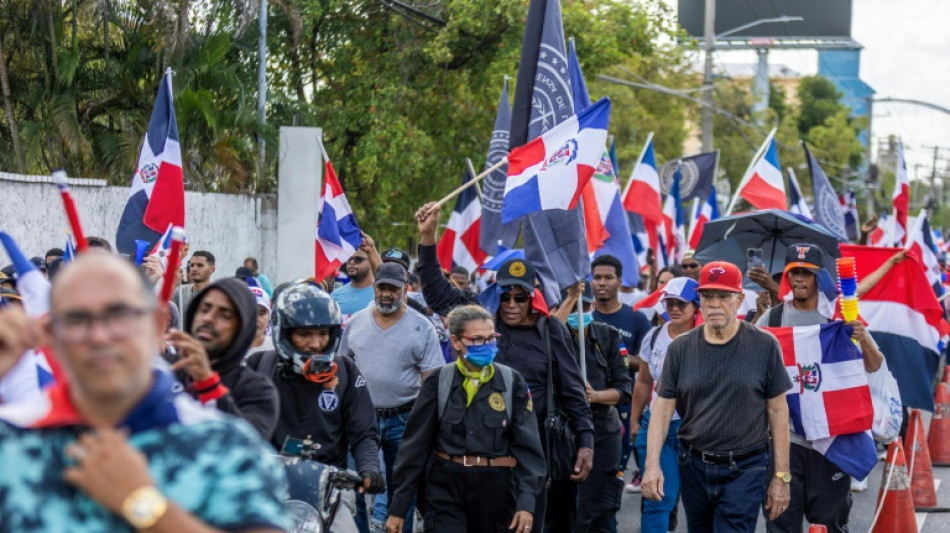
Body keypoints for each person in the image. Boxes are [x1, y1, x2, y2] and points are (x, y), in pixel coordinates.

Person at [0, 253, 287, 532]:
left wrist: (143, 504)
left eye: (119, 315)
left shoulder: (225, 445)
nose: (99, 336)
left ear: (155, 324)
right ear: (50, 333)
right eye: (77, 319)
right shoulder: (11, 435)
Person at [414, 201, 594, 533]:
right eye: (505, 295)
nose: (511, 304)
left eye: (520, 297)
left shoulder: (550, 329)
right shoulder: (479, 317)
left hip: (531, 452)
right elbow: (437, 294)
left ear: (533, 296)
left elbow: (571, 389)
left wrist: (586, 441)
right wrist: (428, 240)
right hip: (479, 452)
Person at [642, 261, 793, 533]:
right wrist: (651, 466)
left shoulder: (764, 345)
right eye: (708, 295)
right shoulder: (680, 348)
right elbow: (662, 409)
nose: (714, 303)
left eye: (723, 296)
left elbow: (778, 411)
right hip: (694, 465)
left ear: (739, 299)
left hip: (745, 467)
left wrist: (781, 476)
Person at [756, 244, 883, 533]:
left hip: (831, 443)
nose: (800, 279)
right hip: (785, 444)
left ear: (818, 277)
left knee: (830, 525)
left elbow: (874, 365)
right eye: (794, 272)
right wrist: (755, 320)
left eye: (807, 273)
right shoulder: (773, 318)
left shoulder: (838, 318)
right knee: (780, 523)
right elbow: (748, 359)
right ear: (787, 277)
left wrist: (861, 338)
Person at [385, 305, 545, 533]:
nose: (487, 346)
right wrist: (398, 508)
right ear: (456, 342)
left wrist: (526, 504)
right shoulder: (439, 383)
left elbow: (529, 450)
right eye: (477, 339)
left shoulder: (512, 383)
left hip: (497, 494)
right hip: (445, 490)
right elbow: (414, 448)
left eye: (491, 338)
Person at [246, 281, 385, 533]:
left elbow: (364, 431)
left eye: (323, 333)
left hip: (330, 486)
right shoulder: (257, 367)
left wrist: (369, 469)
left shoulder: (347, 370)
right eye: (304, 334)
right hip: (265, 483)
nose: (315, 343)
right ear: (283, 333)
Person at [339, 262, 445, 532]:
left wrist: (427, 425)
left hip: (404, 419)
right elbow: (343, 369)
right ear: (374, 288)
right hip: (362, 420)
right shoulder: (356, 323)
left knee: (402, 489)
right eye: (381, 287)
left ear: (405, 290)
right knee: (354, 485)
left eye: (393, 289)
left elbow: (433, 383)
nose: (386, 294)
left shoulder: (422, 327)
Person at [557, 283, 633, 532]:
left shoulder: (609, 335)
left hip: (602, 429)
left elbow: (624, 389)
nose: (579, 312)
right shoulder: (552, 337)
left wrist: (595, 395)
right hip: (564, 430)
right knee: (563, 509)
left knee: (598, 508)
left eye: (585, 305)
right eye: (573, 306)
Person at [164, 277, 280, 440]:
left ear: (243, 327)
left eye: (224, 315)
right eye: (204, 309)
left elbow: (247, 446)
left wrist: (207, 383)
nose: (208, 318)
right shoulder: (165, 369)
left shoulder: (257, 390)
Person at [631, 277, 700, 533]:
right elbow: (643, 381)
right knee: (658, 498)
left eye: (682, 304)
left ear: (696, 306)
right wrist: (635, 420)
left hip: (697, 430)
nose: (674, 308)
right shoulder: (655, 334)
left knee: (702, 502)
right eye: (669, 303)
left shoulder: (707, 337)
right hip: (658, 426)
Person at [588, 254, 651, 493]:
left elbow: (647, 364)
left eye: (608, 277)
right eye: (597, 277)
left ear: (619, 281)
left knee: (612, 477)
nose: (602, 282)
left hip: (622, 408)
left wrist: (617, 356)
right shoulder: (583, 316)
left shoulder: (635, 318)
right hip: (586, 409)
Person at [332, 250, 376, 318]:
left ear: (371, 262)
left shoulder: (380, 293)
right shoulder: (335, 295)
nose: (352, 262)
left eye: (358, 259)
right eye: (349, 259)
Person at [245, 279, 274, 358]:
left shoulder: (275, 351)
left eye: (261, 313)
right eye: (249, 312)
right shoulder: (226, 350)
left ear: (269, 318)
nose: (255, 319)